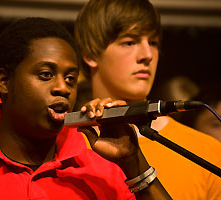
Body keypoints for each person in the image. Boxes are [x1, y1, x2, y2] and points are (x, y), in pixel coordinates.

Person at [0, 17, 171, 199]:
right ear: (4, 81)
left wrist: (134, 163)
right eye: (46, 74)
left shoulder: (100, 172)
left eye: (71, 79)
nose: (63, 88)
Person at [74, 0, 221, 199]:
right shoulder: (63, 144)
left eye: (153, 43)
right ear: (90, 53)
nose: (147, 55)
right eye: (129, 42)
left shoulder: (207, 151)